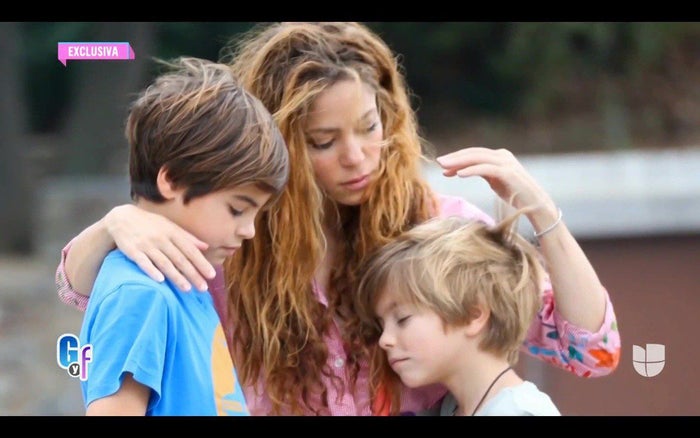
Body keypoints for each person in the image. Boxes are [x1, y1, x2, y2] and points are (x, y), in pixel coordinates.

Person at [56, 22, 620, 415]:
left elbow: (591, 352)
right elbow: (92, 296)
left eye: (370, 127)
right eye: (323, 141)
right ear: (277, 144)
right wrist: (114, 226)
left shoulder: (436, 229)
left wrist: (543, 214)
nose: (357, 157)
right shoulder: (231, 237)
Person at [76, 56, 289, 415]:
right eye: (237, 209)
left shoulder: (183, 279)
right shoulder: (139, 296)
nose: (249, 230)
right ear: (172, 180)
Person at [355, 212, 562, 416]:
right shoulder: (453, 408)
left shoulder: (518, 412)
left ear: (473, 315)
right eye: (382, 326)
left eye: (402, 319)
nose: (384, 340)